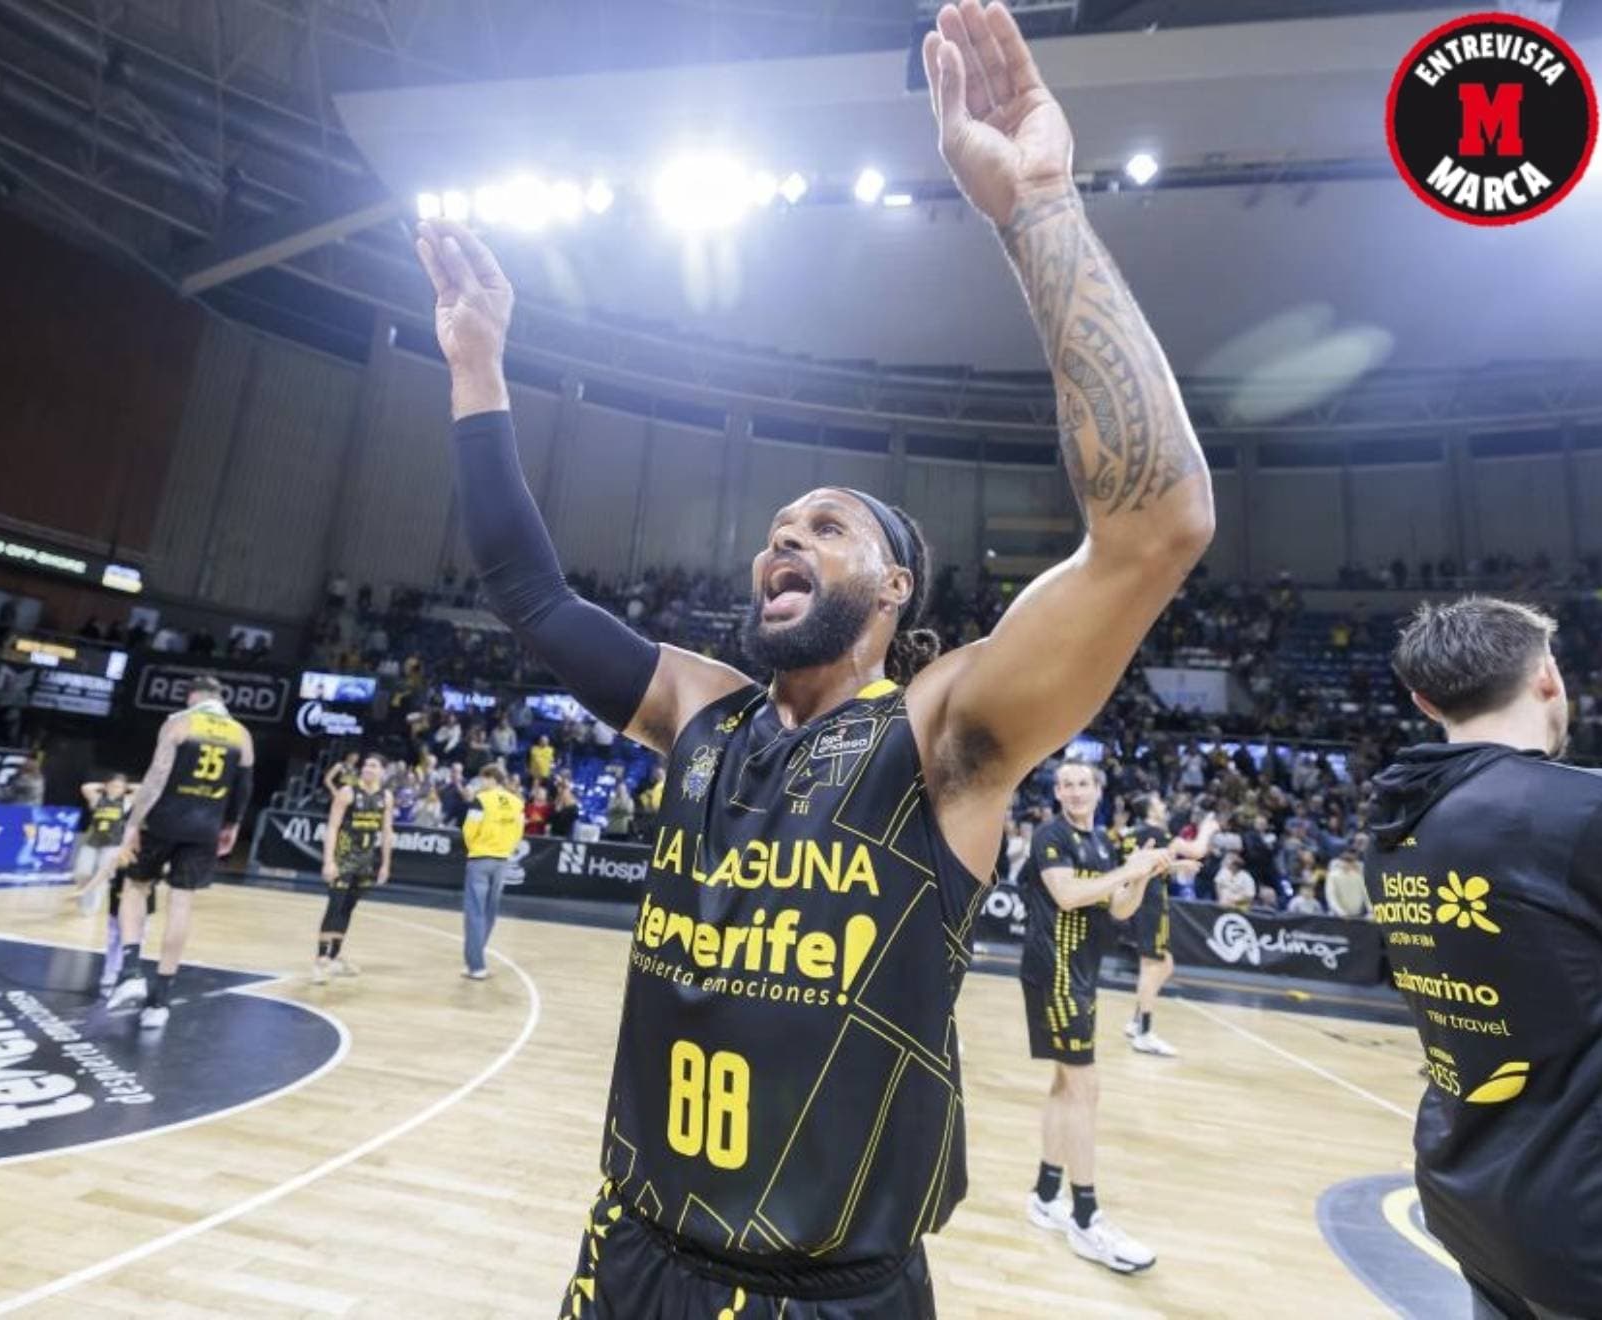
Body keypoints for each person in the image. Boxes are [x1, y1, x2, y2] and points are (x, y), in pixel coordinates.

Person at [416, 0, 1212, 1304]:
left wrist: (1039, 208)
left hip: (827, 1290)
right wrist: (478, 370)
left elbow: (1158, 525)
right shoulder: (703, 709)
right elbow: (527, 589)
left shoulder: (941, 737)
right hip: (627, 1260)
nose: (783, 541)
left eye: (827, 529)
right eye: (777, 529)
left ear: (895, 587)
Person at [1367, 597, 1602, 1318]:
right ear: (1548, 676)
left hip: (1480, 1203)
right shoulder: (1588, 812)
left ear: (1425, 700)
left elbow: (1566, 957)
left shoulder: (1393, 828)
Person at [1018, 760, 1170, 1272]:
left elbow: (1119, 910)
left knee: (1066, 1087)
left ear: (1098, 790)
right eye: (1066, 783)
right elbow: (1067, 895)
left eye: (1084, 783)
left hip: (1082, 975)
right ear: (1057, 792)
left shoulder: (1103, 843)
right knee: (1086, 1088)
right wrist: (1128, 869)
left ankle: (1044, 1195)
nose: (1075, 790)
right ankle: (1085, 1218)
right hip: (1053, 972)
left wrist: (1143, 876)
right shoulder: (1050, 837)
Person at [107, 675, 255, 1028]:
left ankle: (130, 973)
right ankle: (160, 1002)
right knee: (181, 904)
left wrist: (132, 823)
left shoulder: (180, 722)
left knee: (135, 888)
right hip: (206, 827)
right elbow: (244, 787)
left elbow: (157, 776)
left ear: (193, 696)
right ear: (221, 699)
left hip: (163, 821)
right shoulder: (242, 734)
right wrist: (231, 826)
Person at [1115, 792, 1214, 1058]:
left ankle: (1137, 1022)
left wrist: (1179, 865)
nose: (1164, 805)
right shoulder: (1156, 831)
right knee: (1153, 965)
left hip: (1138, 900)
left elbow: (1146, 867)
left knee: (1164, 964)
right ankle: (1144, 1033)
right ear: (1150, 810)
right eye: (1159, 802)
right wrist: (1207, 829)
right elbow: (1198, 849)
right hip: (1150, 902)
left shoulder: (1136, 833)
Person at [315, 751, 394, 983]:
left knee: (348, 908)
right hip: (344, 858)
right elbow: (332, 827)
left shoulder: (386, 797)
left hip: (366, 861)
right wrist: (328, 860)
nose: (367, 769)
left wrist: (385, 864)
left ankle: (335, 956)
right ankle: (320, 960)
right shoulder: (347, 792)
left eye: (373, 765)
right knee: (335, 906)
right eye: (366, 765)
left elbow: (387, 832)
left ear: (383, 771)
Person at [459, 763, 524, 980]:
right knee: (489, 913)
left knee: (475, 913)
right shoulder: (516, 802)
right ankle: (474, 960)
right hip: (502, 860)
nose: (481, 783)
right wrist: (505, 849)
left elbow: (469, 830)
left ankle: (476, 966)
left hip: (480, 858)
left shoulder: (481, 799)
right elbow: (518, 831)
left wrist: (475, 847)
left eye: (483, 779)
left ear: (490, 778)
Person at [71, 774, 132, 915]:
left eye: (119, 787)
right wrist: (103, 785)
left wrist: (127, 786)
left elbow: (142, 789)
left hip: (113, 843)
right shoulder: (97, 799)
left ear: (124, 789)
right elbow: (85, 787)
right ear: (106, 786)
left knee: (101, 875)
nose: (115, 789)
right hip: (93, 841)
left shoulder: (126, 801)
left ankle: (91, 907)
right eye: (112, 785)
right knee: (82, 872)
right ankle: (82, 894)